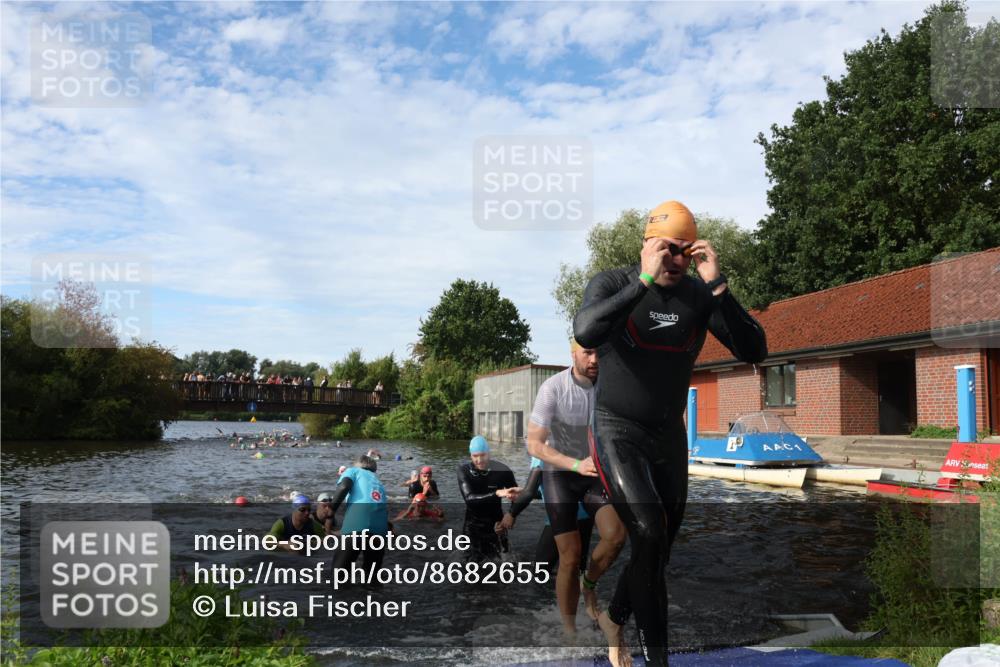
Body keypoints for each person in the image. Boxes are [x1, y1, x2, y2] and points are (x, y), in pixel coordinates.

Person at [574, 199, 768, 666]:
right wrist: (643, 281)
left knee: (658, 548)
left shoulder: (699, 296)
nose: (677, 259)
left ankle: (616, 617)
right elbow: (586, 331)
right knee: (647, 530)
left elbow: (754, 350)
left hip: (666, 437)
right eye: (667, 249)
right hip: (617, 429)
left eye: (686, 250)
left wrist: (718, 285)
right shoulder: (613, 283)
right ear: (647, 246)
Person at [520, 338, 626, 638]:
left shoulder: (608, 387)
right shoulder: (553, 389)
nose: (594, 360)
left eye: (598, 353)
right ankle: (570, 631)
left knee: (616, 536)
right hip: (559, 474)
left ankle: (588, 584)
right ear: (573, 353)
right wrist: (575, 464)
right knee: (569, 556)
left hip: (592, 472)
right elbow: (534, 444)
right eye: (587, 353)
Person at [457, 435, 519, 561]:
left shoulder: (503, 471)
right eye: (475, 456)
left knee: (503, 566)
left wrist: (511, 515)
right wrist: (496, 493)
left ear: (489, 453)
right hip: (472, 528)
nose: (479, 460)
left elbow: (517, 496)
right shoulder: (464, 471)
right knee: (469, 566)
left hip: (497, 526)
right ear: (470, 455)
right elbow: (469, 499)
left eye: (483, 455)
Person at [325, 455, 390, 571]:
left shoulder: (353, 471)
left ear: (357, 465)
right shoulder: (378, 483)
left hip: (357, 526)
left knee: (339, 574)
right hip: (380, 531)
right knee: (371, 575)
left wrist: (331, 510)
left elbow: (344, 486)